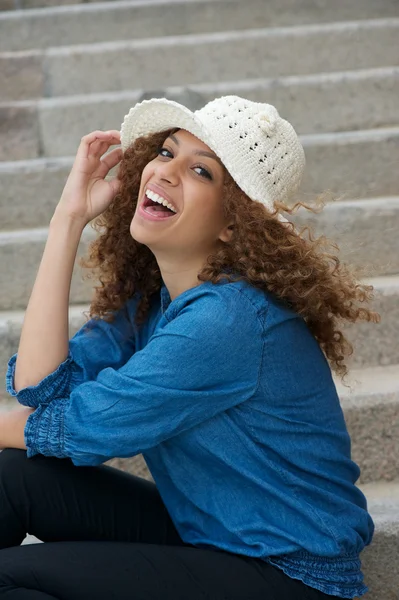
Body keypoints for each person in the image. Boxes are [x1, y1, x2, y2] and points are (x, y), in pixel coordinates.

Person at [0, 95, 379, 600]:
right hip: (213, 537)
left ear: (233, 223)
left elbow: (92, 425)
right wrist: (67, 219)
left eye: (201, 171)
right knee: (11, 478)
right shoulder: (153, 302)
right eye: (165, 152)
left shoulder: (230, 320)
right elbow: (40, 390)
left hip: (290, 575)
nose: (166, 172)